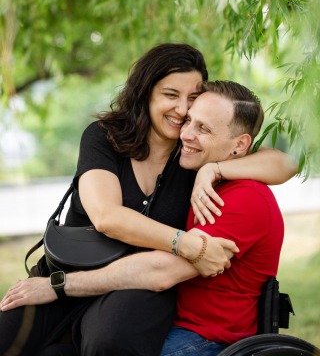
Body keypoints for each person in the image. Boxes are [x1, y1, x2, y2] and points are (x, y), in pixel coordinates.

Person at [0, 44, 296, 356]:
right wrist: (185, 243)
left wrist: (215, 168)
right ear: (146, 93)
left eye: (192, 98)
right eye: (171, 95)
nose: (182, 110)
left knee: (109, 339)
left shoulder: (192, 156)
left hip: (137, 290)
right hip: (71, 269)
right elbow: (106, 217)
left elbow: (287, 163)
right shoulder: (105, 138)